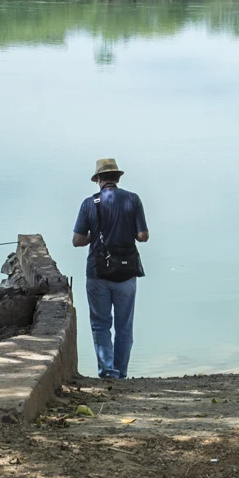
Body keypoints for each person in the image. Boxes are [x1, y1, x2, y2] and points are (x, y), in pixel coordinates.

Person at [71, 157, 149, 380]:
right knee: (124, 326)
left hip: (98, 272)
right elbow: (143, 236)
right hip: (126, 274)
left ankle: (108, 372)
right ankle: (122, 373)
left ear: (99, 180)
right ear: (117, 178)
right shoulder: (133, 200)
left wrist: (93, 236)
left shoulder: (89, 204)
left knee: (100, 324)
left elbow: (77, 240)